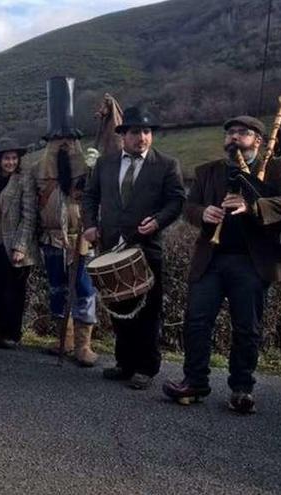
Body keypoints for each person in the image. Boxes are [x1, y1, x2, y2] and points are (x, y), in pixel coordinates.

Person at [163, 115, 281, 414]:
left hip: (252, 261)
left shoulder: (278, 168)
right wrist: (202, 213)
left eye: (243, 133)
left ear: (258, 140)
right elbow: (189, 208)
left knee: (246, 327)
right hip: (211, 258)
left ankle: (241, 388)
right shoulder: (208, 172)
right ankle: (195, 381)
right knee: (197, 321)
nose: (234, 137)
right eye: (230, 133)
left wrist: (255, 206)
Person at [82, 106, 185, 390]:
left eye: (147, 132)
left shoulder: (166, 164)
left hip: (146, 247)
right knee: (118, 305)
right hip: (111, 245)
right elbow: (90, 197)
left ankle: (146, 366)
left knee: (148, 309)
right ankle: (124, 363)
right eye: (136, 132)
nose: (142, 137)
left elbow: (176, 202)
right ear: (123, 135)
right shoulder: (106, 163)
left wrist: (158, 221)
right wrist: (90, 224)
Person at [33, 76, 98, 367]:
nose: (63, 145)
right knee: (58, 288)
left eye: (68, 140)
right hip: (51, 241)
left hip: (80, 240)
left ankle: (84, 345)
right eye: (57, 140)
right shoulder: (37, 171)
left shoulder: (89, 168)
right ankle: (65, 338)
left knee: (84, 289)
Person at [0, 137, 37, 349]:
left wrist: (20, 247)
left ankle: (13, 334)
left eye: (14, 158)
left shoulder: (24, 181)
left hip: (14, 246)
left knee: (13, 292)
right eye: (7, 158)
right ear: (0, 160)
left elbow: (29, 216)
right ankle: (0, 331)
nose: (10, 162)